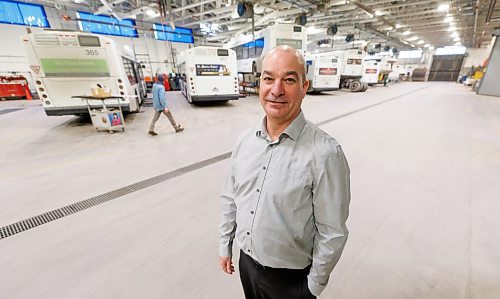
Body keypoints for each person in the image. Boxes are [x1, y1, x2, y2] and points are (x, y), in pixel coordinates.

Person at [219, 45, 351, 298]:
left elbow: (332, 230)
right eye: (269, 78)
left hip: (290, 280)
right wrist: (225, 245)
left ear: (304, 87)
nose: (276, 90)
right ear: (260, 84)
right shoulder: (244, 142)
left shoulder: (325, 153)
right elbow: (230, 198)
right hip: (247, 263)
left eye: (289, 80)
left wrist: (311, 287)